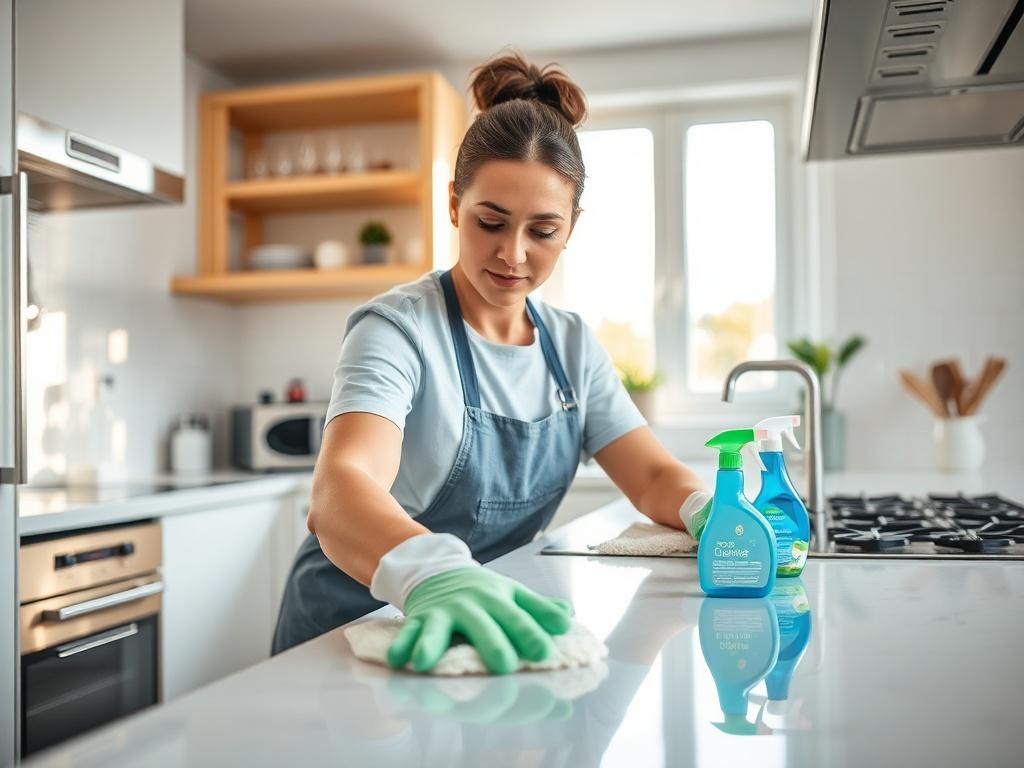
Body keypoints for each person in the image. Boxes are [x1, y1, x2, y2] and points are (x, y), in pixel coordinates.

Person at [271, 51, 710, 673]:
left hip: (476, 635)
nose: (513, 254)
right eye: (490, 222)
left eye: (543, 230)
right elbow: (341, 490)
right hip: (351, 630)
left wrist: (707, 509)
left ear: (571, 229)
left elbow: (654, 478)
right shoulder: (397, 329)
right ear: (454, 205)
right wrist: (433, 574)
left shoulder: (573, 347)